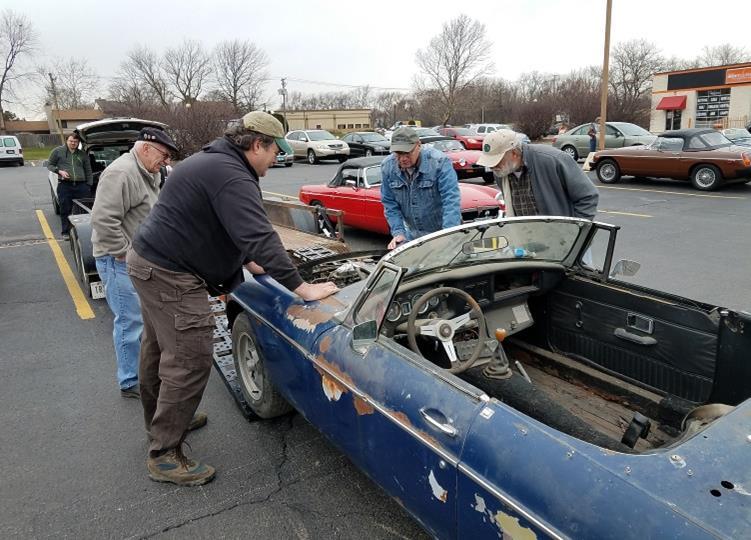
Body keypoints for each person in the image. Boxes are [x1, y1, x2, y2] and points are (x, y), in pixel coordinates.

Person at [126, 111, 338, 486]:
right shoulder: (232, 175)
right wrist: (302, 288)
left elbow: (221, 225)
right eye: (275, 151)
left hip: (150, 262)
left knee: (158, 348)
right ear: (257, 144)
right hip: (171, 274)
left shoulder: (216, 161)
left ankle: (165, 419)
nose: (277, 158)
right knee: (189, 357)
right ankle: (165, 453)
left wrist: (248, 261)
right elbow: (258, 234)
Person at [90, 128, 177, 399]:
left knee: (146, 321)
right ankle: (131, 380)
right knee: (130, 323)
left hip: (141, 259)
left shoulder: (149, 172)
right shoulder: (121, 173)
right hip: (118, 261)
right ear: (146, 148)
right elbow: (103, 220)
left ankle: (146, 375)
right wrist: (124, 254)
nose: (166, 161)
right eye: (164, 154)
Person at [476, 129, 598, 219]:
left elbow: (588, 196)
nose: (492, 167)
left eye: (497, 161)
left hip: (563, 240)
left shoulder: (552, 160)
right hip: (527, 239)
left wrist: (576, 232)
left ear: (514, 153)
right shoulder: (501, 172)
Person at [380, 126, 461, 249]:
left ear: (418, 145)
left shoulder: (439, 162)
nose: (403, 158)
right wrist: (398, 232)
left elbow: (451, 200)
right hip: (413, 236)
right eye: (398, 154)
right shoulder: (387, 167)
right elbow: (389, 203)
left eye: (407, 153)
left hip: (443, 232)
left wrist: (447, 235)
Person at [47, 133, 93, 239]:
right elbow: (50, 165)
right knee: (65, 209)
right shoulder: (57, 151)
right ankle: (66, 232)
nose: (73, 143)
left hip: (81, 185)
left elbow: (88, 170)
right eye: (71, 141)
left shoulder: (82, 154)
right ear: (66, 141)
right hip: (65, 185)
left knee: (83, 210)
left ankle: (83, 233)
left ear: (78, 143)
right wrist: (59, 171)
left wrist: (88, 185)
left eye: (75, 142)